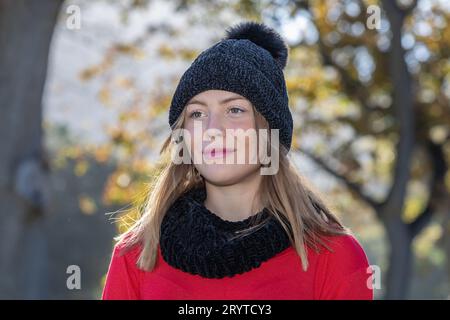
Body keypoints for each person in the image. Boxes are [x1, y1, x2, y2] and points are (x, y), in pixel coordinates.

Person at [102, 21, 373, 300]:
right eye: (197, 114)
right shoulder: (136, 254)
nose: (212, 129)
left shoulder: (335, 257)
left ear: (270, 130)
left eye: (234, 110)